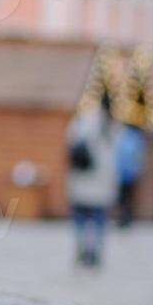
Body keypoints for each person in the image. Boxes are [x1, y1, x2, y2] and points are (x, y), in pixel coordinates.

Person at [65, 92, 119, 267]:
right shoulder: (111, 126)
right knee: (98, 219)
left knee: (80, 218)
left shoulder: (81, 122)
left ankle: (81, 248)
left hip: (81, 179)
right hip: (101, 182)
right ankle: (95, 251)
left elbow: (70, 143)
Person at [114, 119, 146, 228]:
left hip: (124, 173)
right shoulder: (136, 138)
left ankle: (125, 218)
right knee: (126, 198)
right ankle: (125, 218)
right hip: (129, 173)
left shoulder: (124, 136)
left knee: (124, 198)